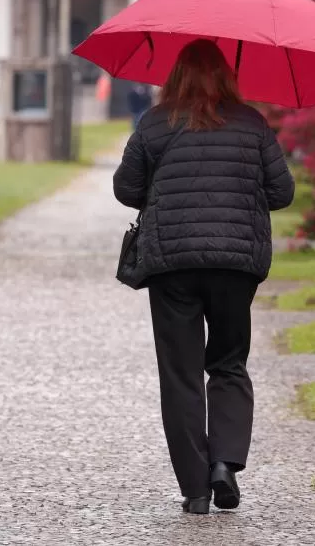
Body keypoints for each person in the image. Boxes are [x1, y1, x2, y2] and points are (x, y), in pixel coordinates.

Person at [112, 39, 294, 515]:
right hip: (235, 266)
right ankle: (225, 466)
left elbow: (126, 189)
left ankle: (195, 489)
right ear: (227, 77)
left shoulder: (154, 123)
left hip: (172, 265)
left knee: (180, 374)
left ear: (174, 77)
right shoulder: (252, 123)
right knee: (229, 363)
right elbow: (282, 192)